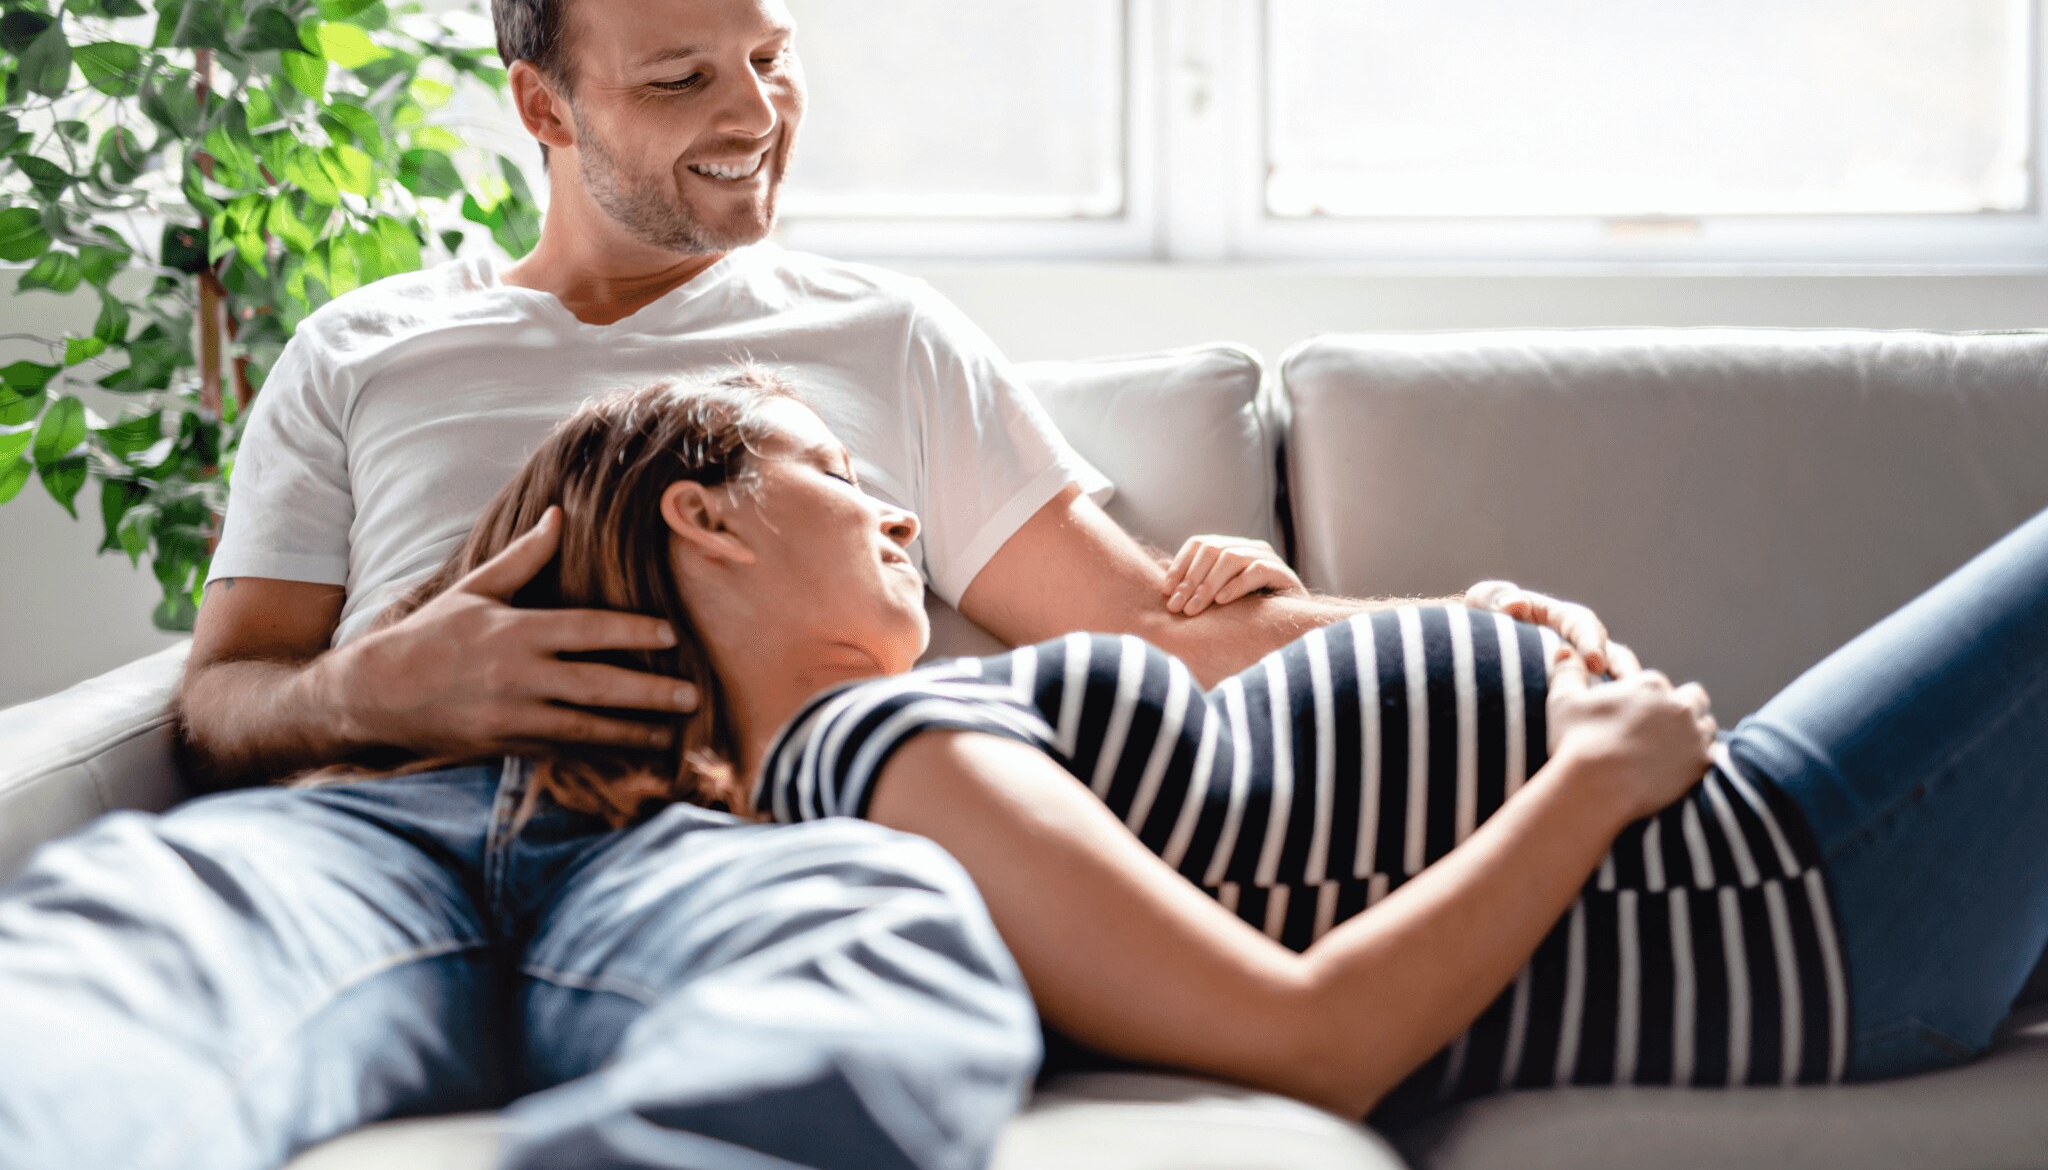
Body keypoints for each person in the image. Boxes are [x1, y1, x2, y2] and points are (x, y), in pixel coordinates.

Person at [0, 0, 1620, 1170]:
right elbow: (218, 698)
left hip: (725, 833)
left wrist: (1464, 625)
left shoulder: (884, 336)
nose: (755, 117)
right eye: (685, 75)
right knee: (101, 972)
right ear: (544, 108)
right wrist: (374, 684)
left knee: (882, 991)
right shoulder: (369, 347)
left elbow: (1141, 622)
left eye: (773, 60)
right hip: (375, 827)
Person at [365, 368, 2048, 1134]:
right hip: (1782, 886)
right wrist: (1587, 773)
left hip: (1768, 847)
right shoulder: (875, 752)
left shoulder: (893, 735)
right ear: (703, 518)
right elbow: (1305, 1040)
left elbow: (1283, 814)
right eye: (831, 472)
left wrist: (1479, 642)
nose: (893, 509)